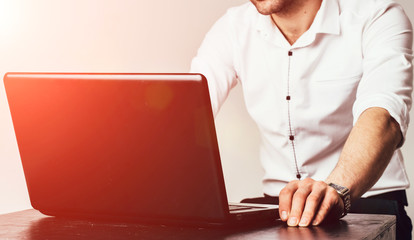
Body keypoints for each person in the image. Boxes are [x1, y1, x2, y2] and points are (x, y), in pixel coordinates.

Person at [190, 0, 413, 239]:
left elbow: (383, 115)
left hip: (366, 202)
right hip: (280, 209)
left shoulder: (377, 14)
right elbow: (184, 114)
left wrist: (336, 190)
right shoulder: (233, 27)